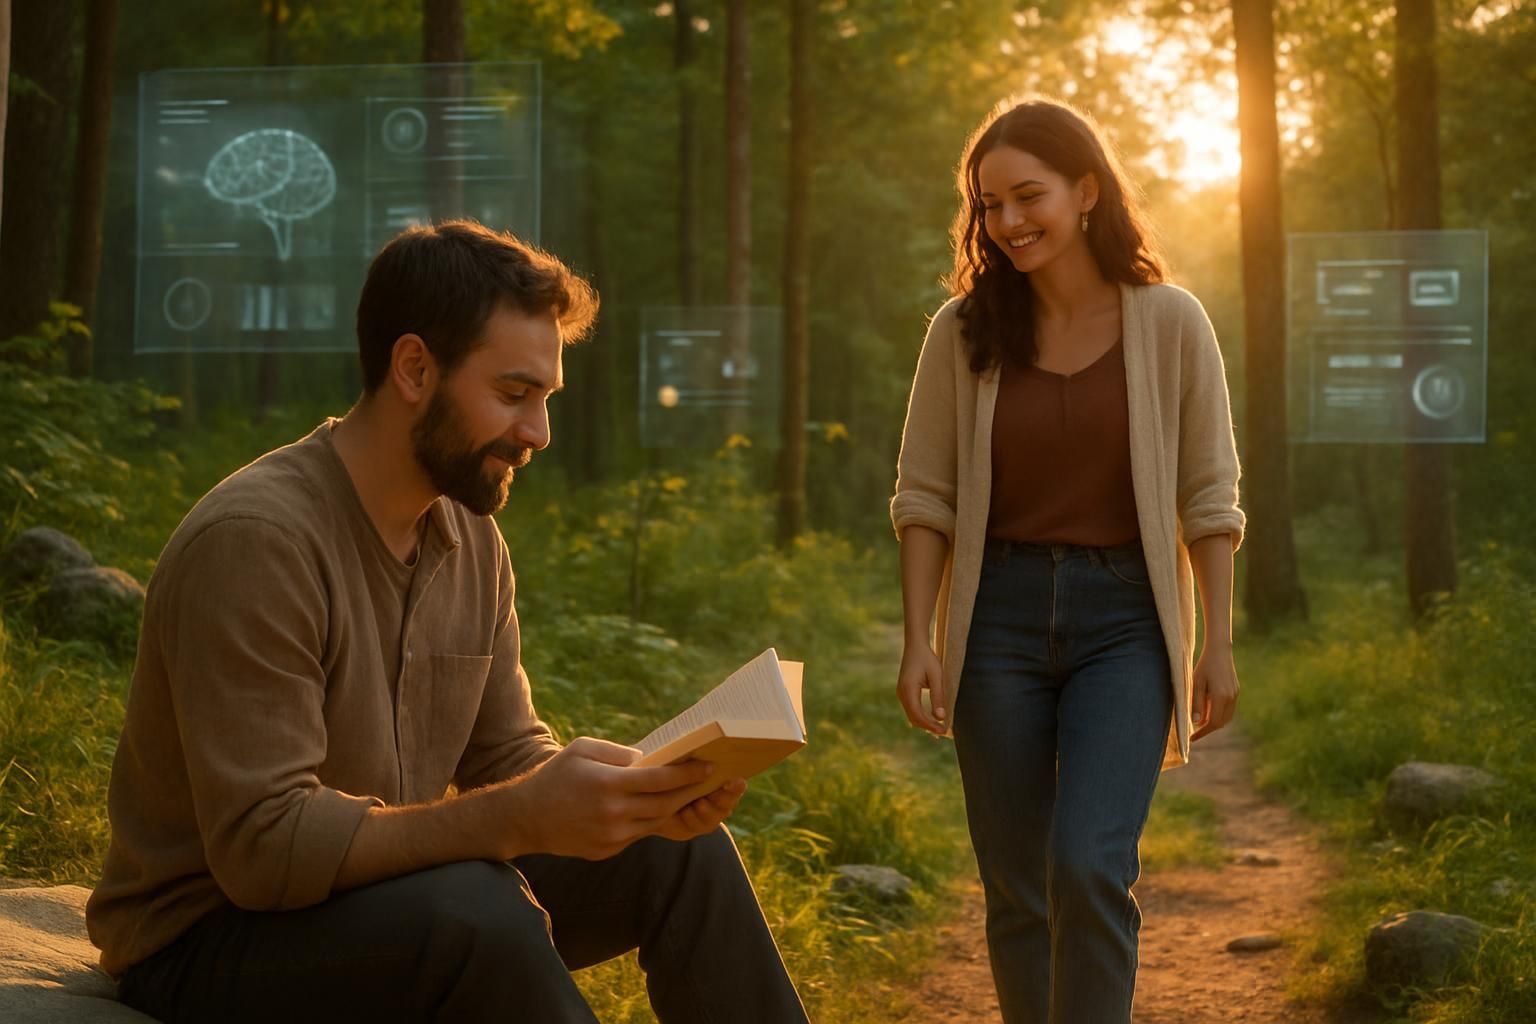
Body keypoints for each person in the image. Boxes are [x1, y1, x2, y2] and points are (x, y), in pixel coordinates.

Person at [87, 221, 809, 1024]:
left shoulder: (469, 536)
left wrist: (632, 798)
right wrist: (518, 816)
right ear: (414, 368)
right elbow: (264, 849)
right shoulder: (257, 542)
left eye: (545, 399)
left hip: (383, 897)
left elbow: (506, 757)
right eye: (513, 394)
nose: (538, 433)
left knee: (678, 852)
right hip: (207, 939)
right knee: (479, 911)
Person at [890, 97, 1246, 1023]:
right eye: (989, 205)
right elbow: (924, 499)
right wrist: (921, 640)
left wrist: (1216, 642)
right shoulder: (961, 333)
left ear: (1087, 191)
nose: (1007, 221)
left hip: (1125, 621)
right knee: (1017, 887)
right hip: (994, 621)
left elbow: (1209, 496)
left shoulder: (1172, 323)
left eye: (1028, 196)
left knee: (1087, 864)